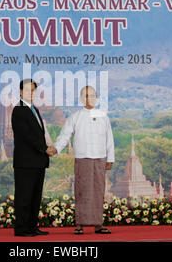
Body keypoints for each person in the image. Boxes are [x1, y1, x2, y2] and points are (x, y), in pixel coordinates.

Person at [52, 85, 115, 235]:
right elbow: (65, 136)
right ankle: (79, 224)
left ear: (97, 98)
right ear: (81, 98)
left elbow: (109, 139)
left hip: (100, 158)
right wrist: (55, 148)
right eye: (86, 95)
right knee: (81, 190)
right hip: (82, 158)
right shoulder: (75, 116)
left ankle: (98, 225)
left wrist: (110, 158)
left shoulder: (103, 116)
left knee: (99, 191)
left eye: (92, 95)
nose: (90, 98)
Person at [11, 78, 57, 237]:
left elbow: (38, 134)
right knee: (24, 196)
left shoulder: (34, 109)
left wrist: (46, 150)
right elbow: (27, 135)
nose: (31, 93)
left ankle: (32, 227)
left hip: (38, 161)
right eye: (28, 90)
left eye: (33, 90)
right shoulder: (19, 110)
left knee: (35, 197)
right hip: (25, 162)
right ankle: (22, 229)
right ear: (21, 92)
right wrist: (45, 149)